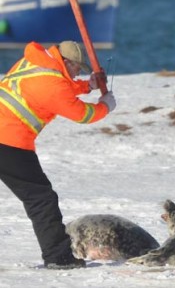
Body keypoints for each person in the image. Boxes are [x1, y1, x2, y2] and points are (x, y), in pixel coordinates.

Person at [0, 41, 116, 269]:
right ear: (68, 62)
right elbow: (82, 114)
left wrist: (87, 86)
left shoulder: (34, 61)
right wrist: (105, 105)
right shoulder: (53, 84)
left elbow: (57, 86)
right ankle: (58, 257)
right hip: (9, 143)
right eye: (77, 69)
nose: (77, 73)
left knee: (39, 198)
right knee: (41, 199)